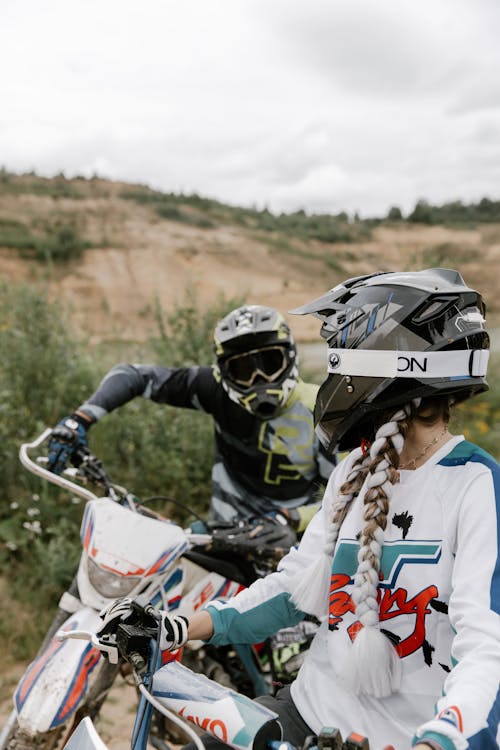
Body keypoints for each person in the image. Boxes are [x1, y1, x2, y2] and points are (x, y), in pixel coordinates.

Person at [103, 269, 499, 749]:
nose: (335, 380)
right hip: (306, 713)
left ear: (387, 366)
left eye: (341, 363)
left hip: (408, 738)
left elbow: (488, 649)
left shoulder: (476, 486)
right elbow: (294, 589)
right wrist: (178, 627)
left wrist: (441, 738)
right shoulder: (353, 472)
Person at [47, 304, 335, 530]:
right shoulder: (214, 389)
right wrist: (80, 419)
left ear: (291, 357)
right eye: (243, 370)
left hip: (297, 550)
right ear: (224, 374)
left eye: (270, 363)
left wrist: (291, 519)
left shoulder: (323, 410)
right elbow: (133, 376)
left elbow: (347, 497)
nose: (259, 380)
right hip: (222, 535)